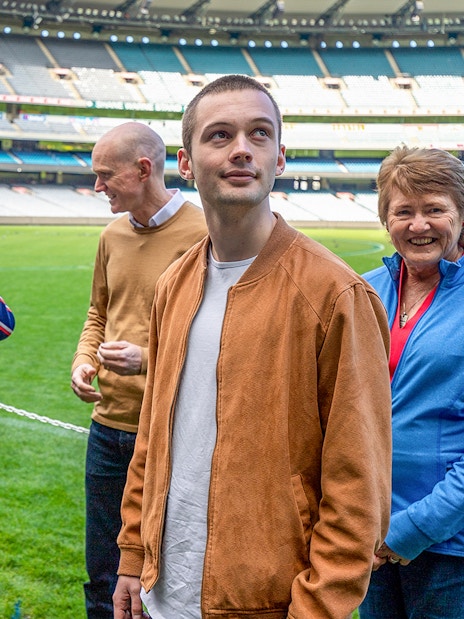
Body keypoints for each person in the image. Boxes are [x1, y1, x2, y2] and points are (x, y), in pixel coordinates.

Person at [113, 75, 392, 619]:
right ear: (186, 163)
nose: (242, 148)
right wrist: (130, 555)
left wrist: (316, 608)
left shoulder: (334, 294)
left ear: (280, 157)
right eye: (219, 135)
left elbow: (359, 485)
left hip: (270, 603)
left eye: (259, 134)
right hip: (162, 594)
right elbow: (153, 434)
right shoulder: (175, 283)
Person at [70, 121, 207, 619]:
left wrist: (147, 359)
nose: (97, 186)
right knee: (102, 569)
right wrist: (85, 358)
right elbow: (97, 314)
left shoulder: (203, 235)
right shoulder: (111, 235)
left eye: (105, 175)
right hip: (107, 430)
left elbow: (224, 339)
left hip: (171, 432)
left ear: (144, 169)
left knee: (163, 570)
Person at [359, 146, 464, 619]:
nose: (418, 224)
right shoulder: (361, 292)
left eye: (435, 209)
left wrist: (413, 529)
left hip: (448, 547)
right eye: (404, 211)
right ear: (386, 219)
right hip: (366, 536)